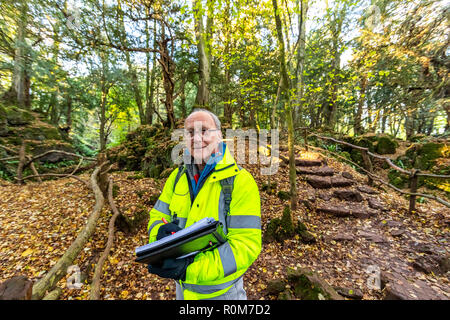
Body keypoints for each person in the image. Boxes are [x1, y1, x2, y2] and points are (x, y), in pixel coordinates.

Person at [146, 108, 261, 300]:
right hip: (182, 290)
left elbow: (246, 245)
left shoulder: (240, 181)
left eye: (204, 131)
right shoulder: (177, 178)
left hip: (222, 294)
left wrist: (189, 268)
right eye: (190, 132)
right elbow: (157, 216)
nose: (197, 138)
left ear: (220, 136)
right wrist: (158, 233)